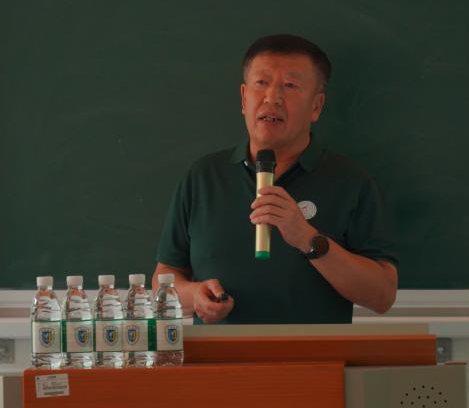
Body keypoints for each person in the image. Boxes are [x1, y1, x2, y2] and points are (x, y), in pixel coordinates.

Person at [153, 34, 397, 324]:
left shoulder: (351, 181)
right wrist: (194, 295)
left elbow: (382, 296)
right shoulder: (204, 177)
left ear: (316, 106)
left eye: (290, 85)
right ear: (244, 98)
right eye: (262, 82)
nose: (272, 98)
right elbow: (164, 278)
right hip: (219, 352)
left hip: (314, 352)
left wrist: (308, 239)